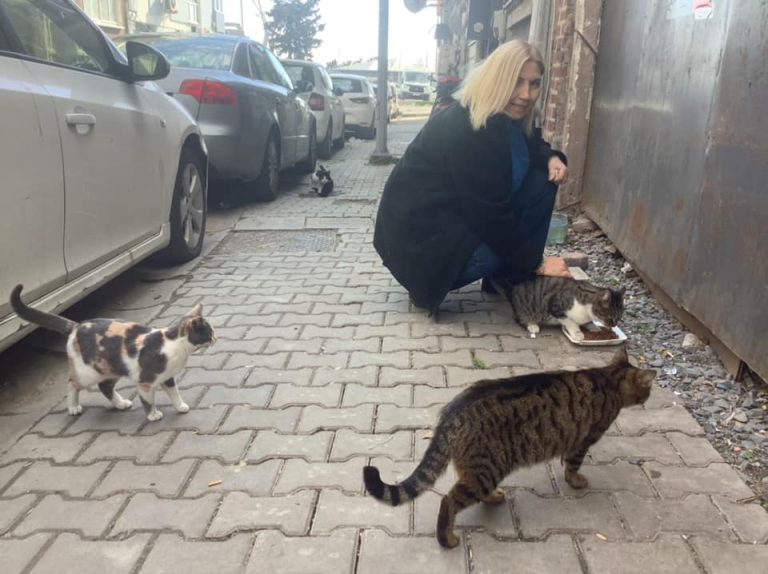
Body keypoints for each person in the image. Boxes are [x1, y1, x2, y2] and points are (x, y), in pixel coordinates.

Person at [373, 40, 571, 314]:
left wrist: (551, 156)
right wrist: (537, 262)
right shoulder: (470, 130)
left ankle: (506, 277)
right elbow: (490, 215)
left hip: (447, 227)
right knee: (506, 236)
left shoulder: (500, 113)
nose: (526, 94)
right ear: (497, 80)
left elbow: (526, 143)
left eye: (534, 83)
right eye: (516, 82)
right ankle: (515, 274)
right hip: (421, 254)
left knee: (542, 180)